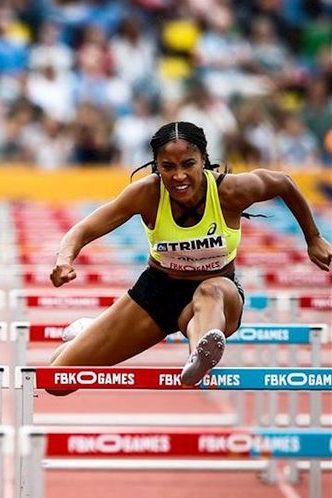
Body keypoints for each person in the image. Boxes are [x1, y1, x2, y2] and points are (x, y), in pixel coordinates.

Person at [49, 121, 331, 392]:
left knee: (211, 292)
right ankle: (93, 332)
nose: (179, 176)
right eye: (168, 167)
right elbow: (84, 228)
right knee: (57, 382)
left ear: (204, 159)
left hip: (219, 291)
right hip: (157, 292)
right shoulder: (146, 194)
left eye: (188, 165)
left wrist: (313, 237)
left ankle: (199, 355)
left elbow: (283, 183)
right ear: (156, 166)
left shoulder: (231, 191)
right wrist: (64, 259)